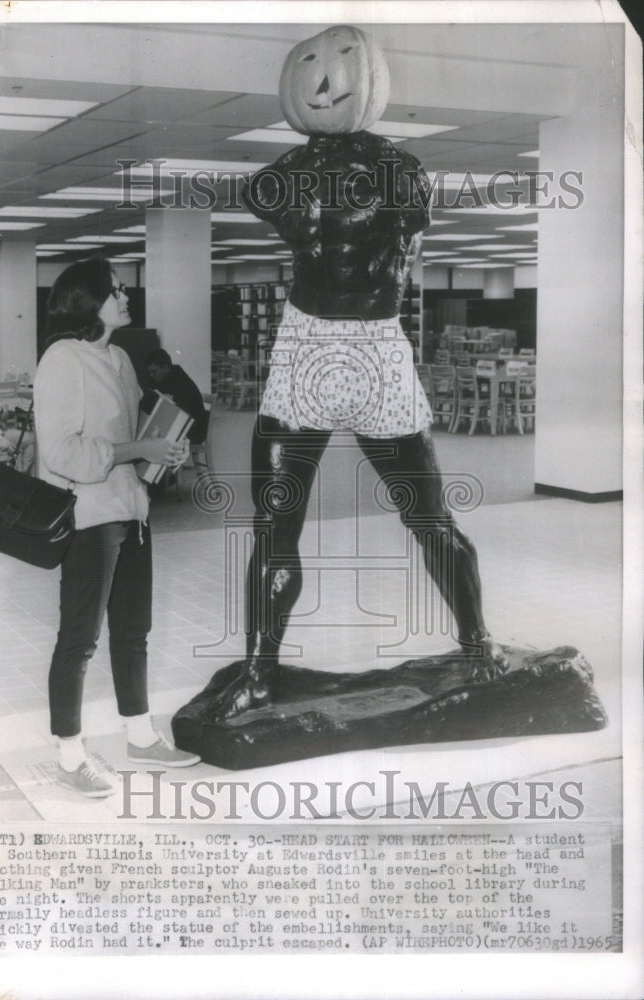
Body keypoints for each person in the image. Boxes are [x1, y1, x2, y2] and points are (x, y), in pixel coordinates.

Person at [206, 26, 508, 720]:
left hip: (375, 347)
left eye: (338, 62)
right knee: (273, 524)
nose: (321, 78)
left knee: (429, 518)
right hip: (305, 345)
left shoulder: (400, 171)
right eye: (307, 62)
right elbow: (267, 196)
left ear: (364, 77)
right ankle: (259, 668)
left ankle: (477, 641)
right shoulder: (280, 179)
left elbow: (409, 234)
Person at [33, 259, 200, 798]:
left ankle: (140, 736)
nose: (126, 296)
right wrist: (137, 450)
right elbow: (61, 453)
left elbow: (130, 442)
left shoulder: (123, 359)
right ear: (89, 302)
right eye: (116, 290)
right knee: (79, 640)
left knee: (133, 632)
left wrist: (161, 452)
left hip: (131, 509)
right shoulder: (62, 360)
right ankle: (69, 755)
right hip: (87, 517)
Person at [0, 355, 35, 473]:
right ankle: (21, 475)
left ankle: (18, 475)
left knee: (19, 436)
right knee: (31, 438)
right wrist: (5, 443)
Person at [146, 348, 209, 445]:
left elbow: (182, 414)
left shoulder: (179, 382)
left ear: (166, 367)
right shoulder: (166, 377)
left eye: (154, 371)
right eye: (150, 372)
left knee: (153, 440)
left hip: (194, 430)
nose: (151, 375)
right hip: (184, 423)